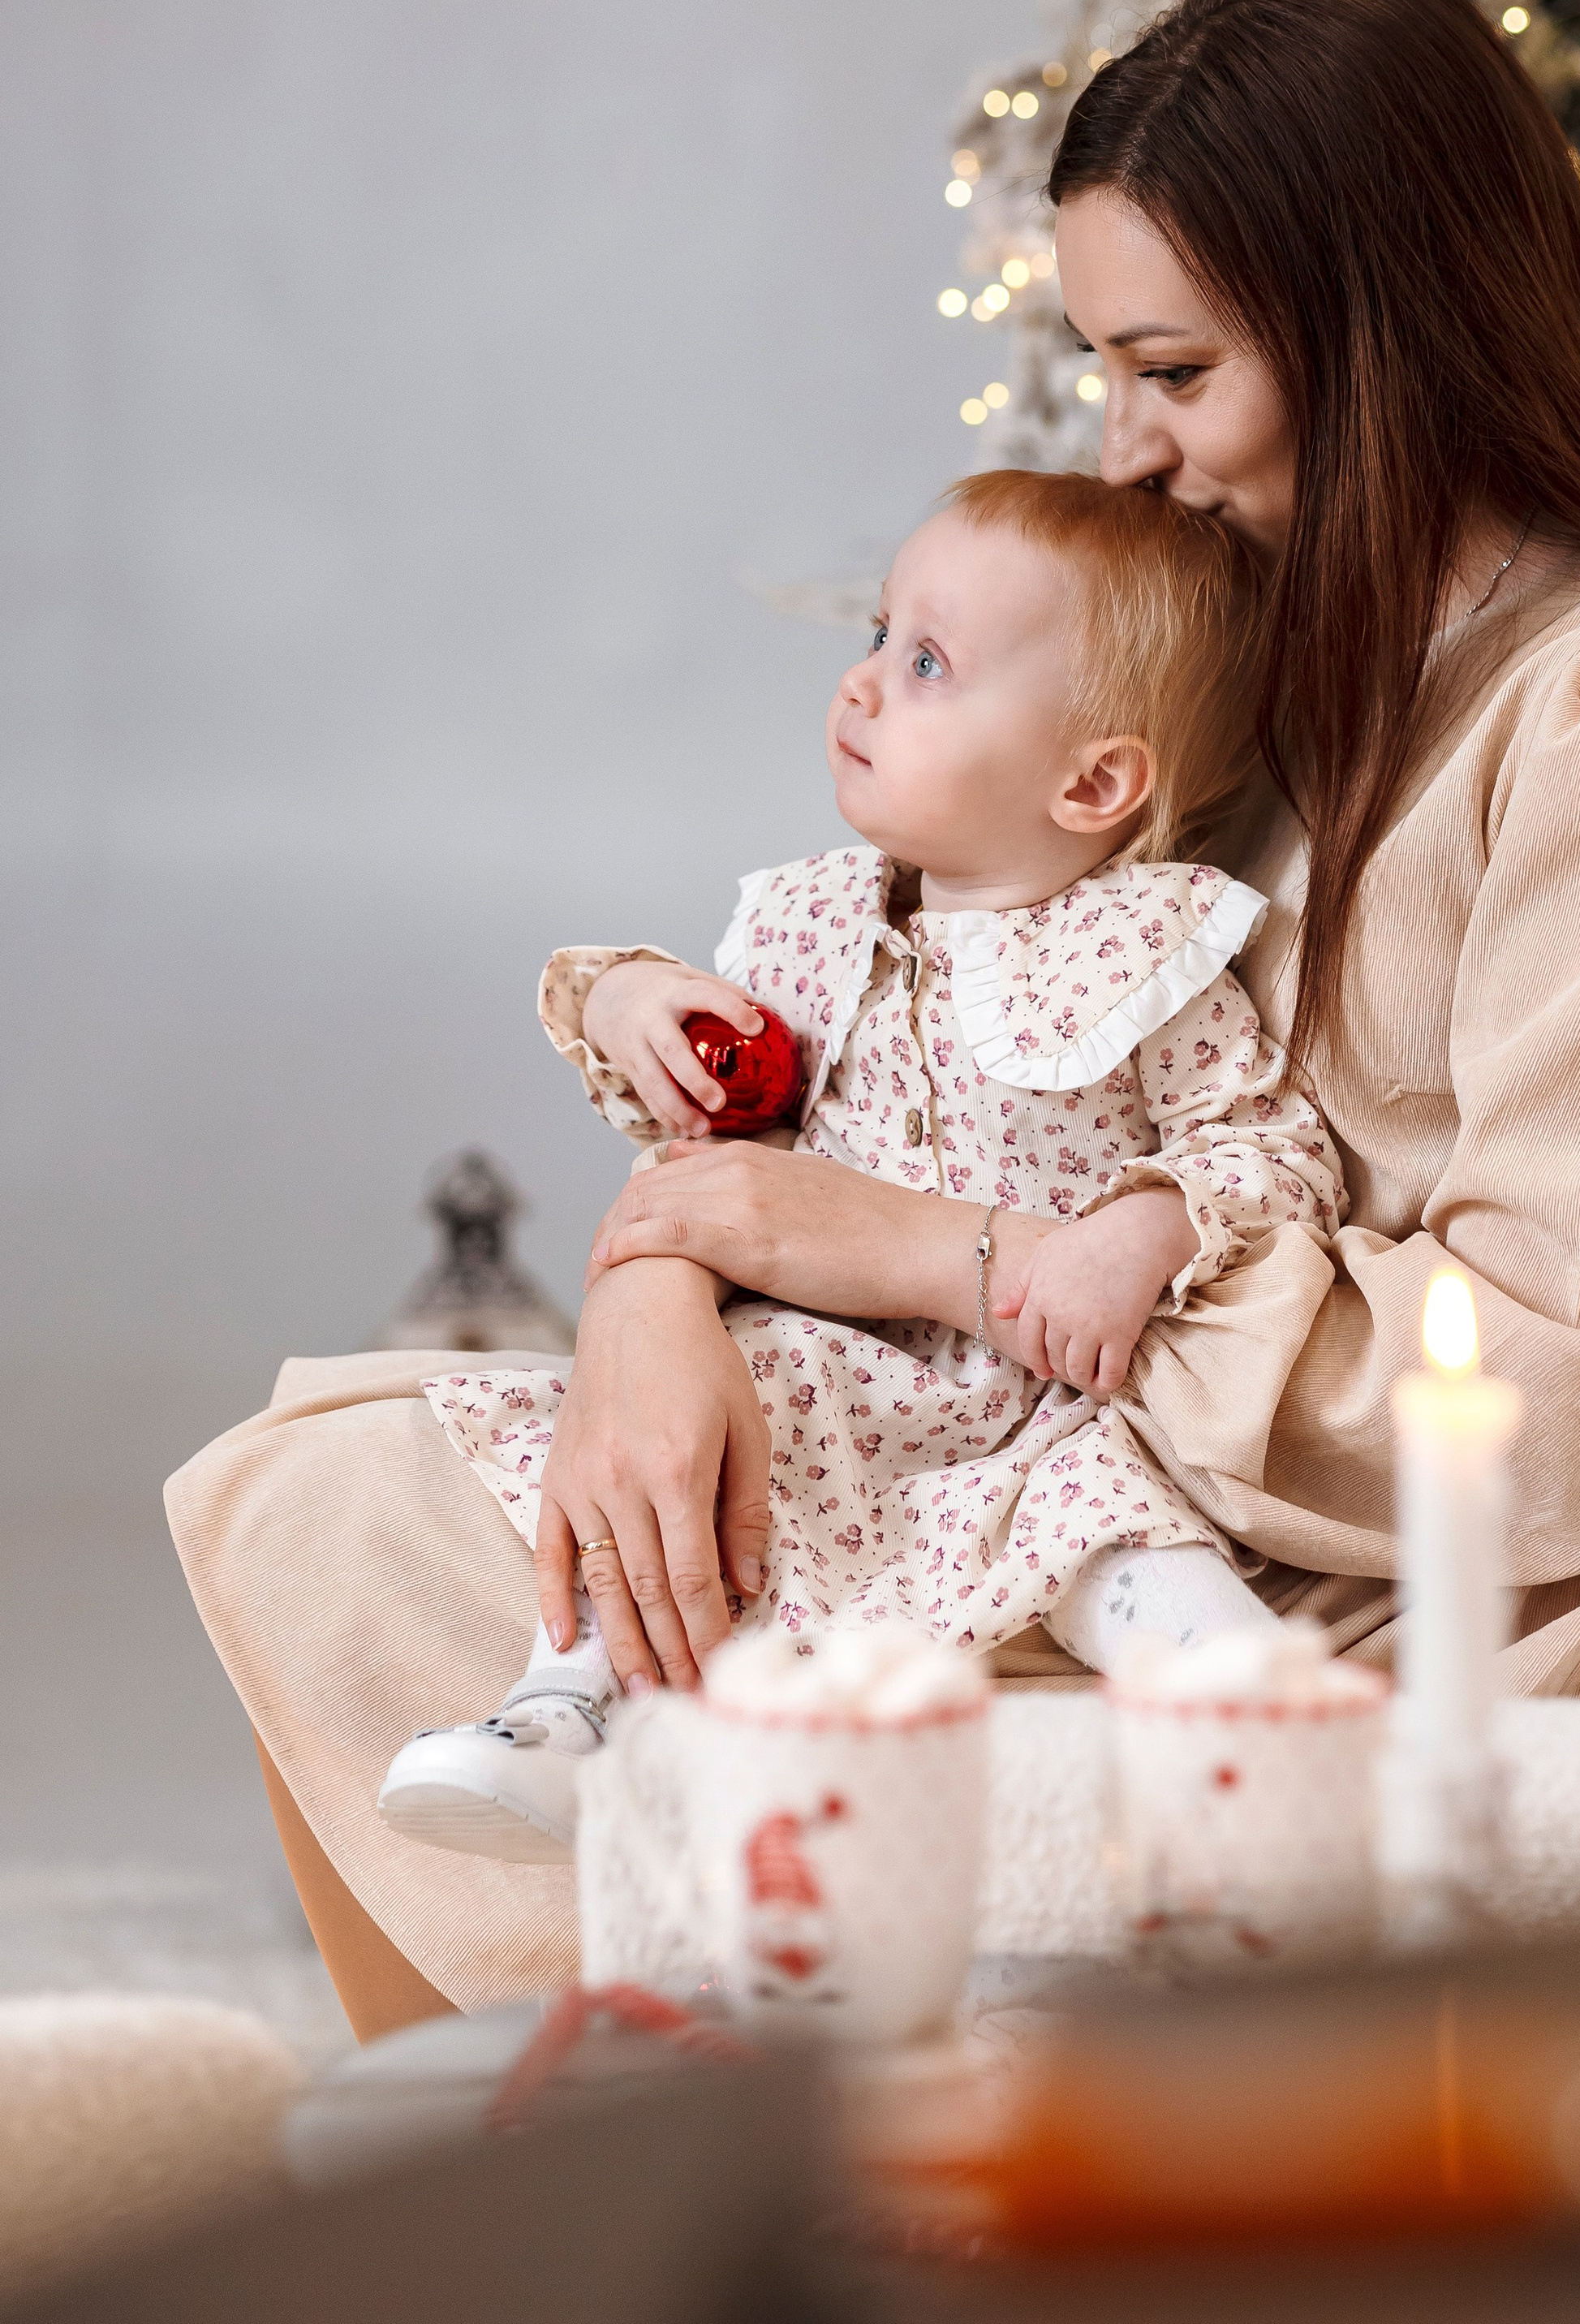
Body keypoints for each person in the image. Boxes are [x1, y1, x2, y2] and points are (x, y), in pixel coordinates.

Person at [166, 0, 1580, 2035]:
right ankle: (515, 2154)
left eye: (1179, 372)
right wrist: (656, 1293)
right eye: (1110, 374)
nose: (1132, 449)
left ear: (1387, 332)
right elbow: (898, 1040)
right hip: (1064, 1446)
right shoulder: (1264, 661)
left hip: (1398, 1583)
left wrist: (937, 1261)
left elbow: (1555, 1396)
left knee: (347, 1511)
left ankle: (555, 2158)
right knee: (337, 1473)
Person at [376, 468, 1341, 1859]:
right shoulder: (813, 922)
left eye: (927, 662)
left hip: (1040, 1397)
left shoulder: (1146, 953)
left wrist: (1148, 1225)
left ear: (1093, 781)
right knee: (667, 1484)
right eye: (879, 635)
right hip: (834, 1369)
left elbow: (1269, 1145)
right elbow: (717, 1116)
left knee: (1129, 1535)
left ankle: (1248, 1725)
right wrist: (632, 1002)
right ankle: (560, 1712)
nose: (862, 684)